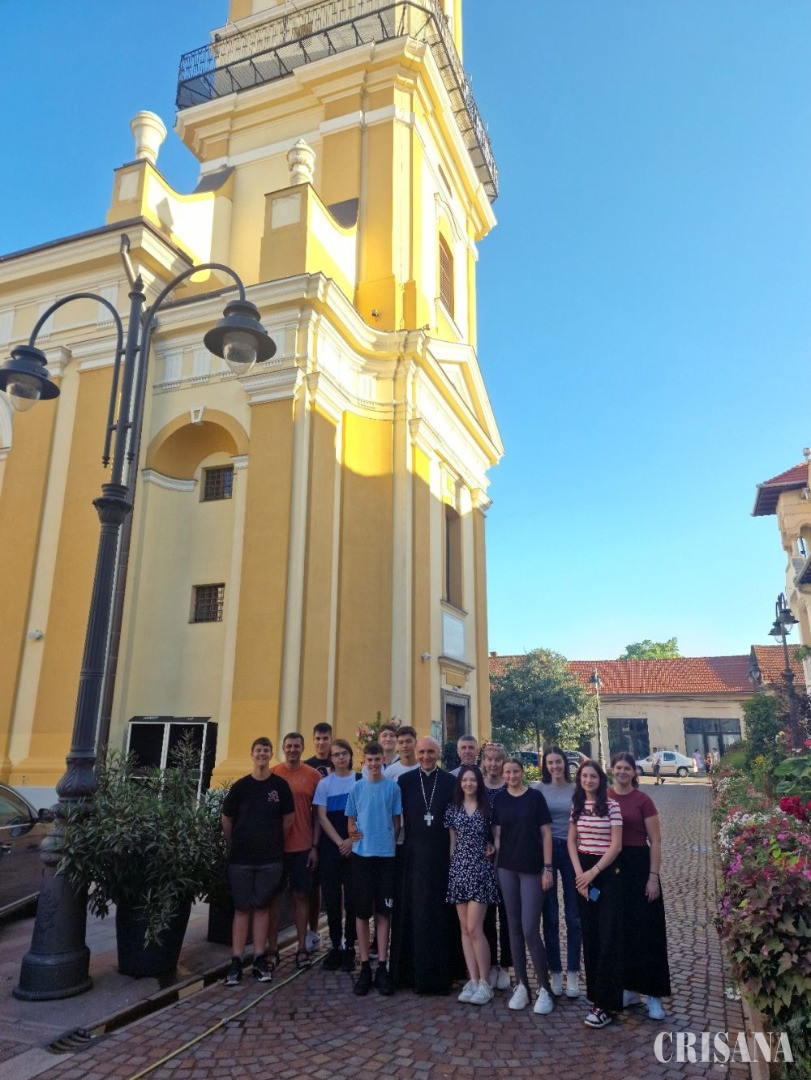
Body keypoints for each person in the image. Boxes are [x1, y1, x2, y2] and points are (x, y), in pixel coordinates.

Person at [390, 737, 463, 994]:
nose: (426, 756)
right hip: (413, 856)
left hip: (442, 856)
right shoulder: (405, 781)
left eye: (431, 752)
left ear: (438, 753)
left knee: (441, 914)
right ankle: (411, 973)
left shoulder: (450, 782)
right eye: (421, 752)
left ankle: (443, 973)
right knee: (416, 913)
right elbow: (395, 817)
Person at [220, 737, 294, 986]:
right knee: (241, 909)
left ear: (271, 755)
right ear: (252, 754)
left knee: (262, 907)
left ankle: (259, 958)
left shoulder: (280, 786)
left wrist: (273, 842)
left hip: (270, 859)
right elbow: (226, 818)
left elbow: (288, 820)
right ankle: (236, 960)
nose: (262, 754)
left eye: (266, 751)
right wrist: (236, 841)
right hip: (241, 858)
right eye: (258, 751)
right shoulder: (240, 787)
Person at [609, 751, 671, 1020]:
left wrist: (653, 876)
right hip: (614, 868)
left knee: (648, 931)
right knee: (622, 930)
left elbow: (655, 840)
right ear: (612, 770)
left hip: (639, 866)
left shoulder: (643, 800)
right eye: (618, 767)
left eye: (627, 768)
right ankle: (630, 988)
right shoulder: (604, 797)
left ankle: (654, 995)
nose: (622, 772)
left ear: (634, 772)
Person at [491, 757, 555, 1016]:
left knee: (530, 929)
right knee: (513, 928)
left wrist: (547, 868)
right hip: (507, 868)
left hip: (532, 868)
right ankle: (522, 985)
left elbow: (546, 834)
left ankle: (545, 988)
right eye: (507, 772)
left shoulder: (535, 798)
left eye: (515, 771)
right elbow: (497, 836)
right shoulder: (499, 800)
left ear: (522, 772)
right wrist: (496, 862)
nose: (511, 775)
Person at [567, 760, 624, 1028]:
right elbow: (571, 841)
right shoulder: (577, 805)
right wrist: (580, 874)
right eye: (584, 776)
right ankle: (595, 998)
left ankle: (607, 1003)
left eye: (593, 776)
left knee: (608, 936)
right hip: (583, 873)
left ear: (600, 779)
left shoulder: (612, 806)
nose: (588, 780)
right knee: (590, 936)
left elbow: (616, 845)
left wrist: (593, 872)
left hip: (606, 872)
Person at [344, 741, 402, 996]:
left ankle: (382, 966)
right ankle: (365, 965)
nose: (374, 763)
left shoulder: (392, 788)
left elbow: (396, 822)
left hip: (386, 857)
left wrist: (386, 841)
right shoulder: (357, 788)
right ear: (364, 762)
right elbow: (350, 820)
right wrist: (353, 833)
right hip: (362, 856)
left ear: (383, 761)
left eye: (377, 759)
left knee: (383, 912)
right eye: (370, 759)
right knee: (361, 912)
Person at [445, 765, 500, 1006]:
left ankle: (485, 982)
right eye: (465, 780)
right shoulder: (453, 808)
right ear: (460, 783)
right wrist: (453, 868)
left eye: (473, 780)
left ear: (479, 783)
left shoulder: (488, 808)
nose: (468, 784)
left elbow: (496, 838)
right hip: (459, 869)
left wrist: (493, 849)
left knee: (474, 927)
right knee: (464, 929)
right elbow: (452, 842)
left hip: (480, 869)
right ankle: (474, 979)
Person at [268, 733, 322, 970]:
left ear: (302, 748)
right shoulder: (273, 773)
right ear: (283, 748)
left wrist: (314, 846)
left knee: (302, 896)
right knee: (274, 899)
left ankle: (301, 947)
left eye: (296, 746)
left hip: (302, 845)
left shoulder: (313, 775)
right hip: (277, 848)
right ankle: (272, 949)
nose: (292, 750)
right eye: (288, 746)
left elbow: (318, 814)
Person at [536, 746, 581, 998]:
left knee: (574, 916)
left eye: (558, 761)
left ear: (565, 763)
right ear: (545, 765)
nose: (555, 766)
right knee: (550, 916)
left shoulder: (576, 789)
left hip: (572, 850)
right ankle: (555, 972)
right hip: (547, 852)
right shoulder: (538, 789)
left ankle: (573, 973)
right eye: (550, 762)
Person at [313, 739, 358, 972]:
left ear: (350, 755)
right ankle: (335, 946)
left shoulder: (359, 780)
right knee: (332, 900)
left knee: (352, 900)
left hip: (355, 847)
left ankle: (350, 947)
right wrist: (340, 841)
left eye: (344, 753)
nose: (340, 758)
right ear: (331, 758)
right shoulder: (324, 784)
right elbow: (321, 816)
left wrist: (351, 840)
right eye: (336, 754)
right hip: (331, 847)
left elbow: (365, 813)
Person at [481, 743, 512, 990]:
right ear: (483, 761)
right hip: (482, 858)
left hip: (508, 858)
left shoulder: (508, 787)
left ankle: (507, 965)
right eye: (489, 759)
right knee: (487, 914)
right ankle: (490, 964)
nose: (493, 764)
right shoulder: (477, 787)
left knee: (508, 913)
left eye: (497, 759)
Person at [304, 722, 334, 951]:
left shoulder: (338, 761)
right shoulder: (307, 766)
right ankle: (313, 932)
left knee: (335, 887)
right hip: (312, 831)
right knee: (313, 887)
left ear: (331, 739)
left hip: (336, 830)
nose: (321, 742)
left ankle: (337, 933)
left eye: (325, 738)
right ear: (313, 740)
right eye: (318, 738)